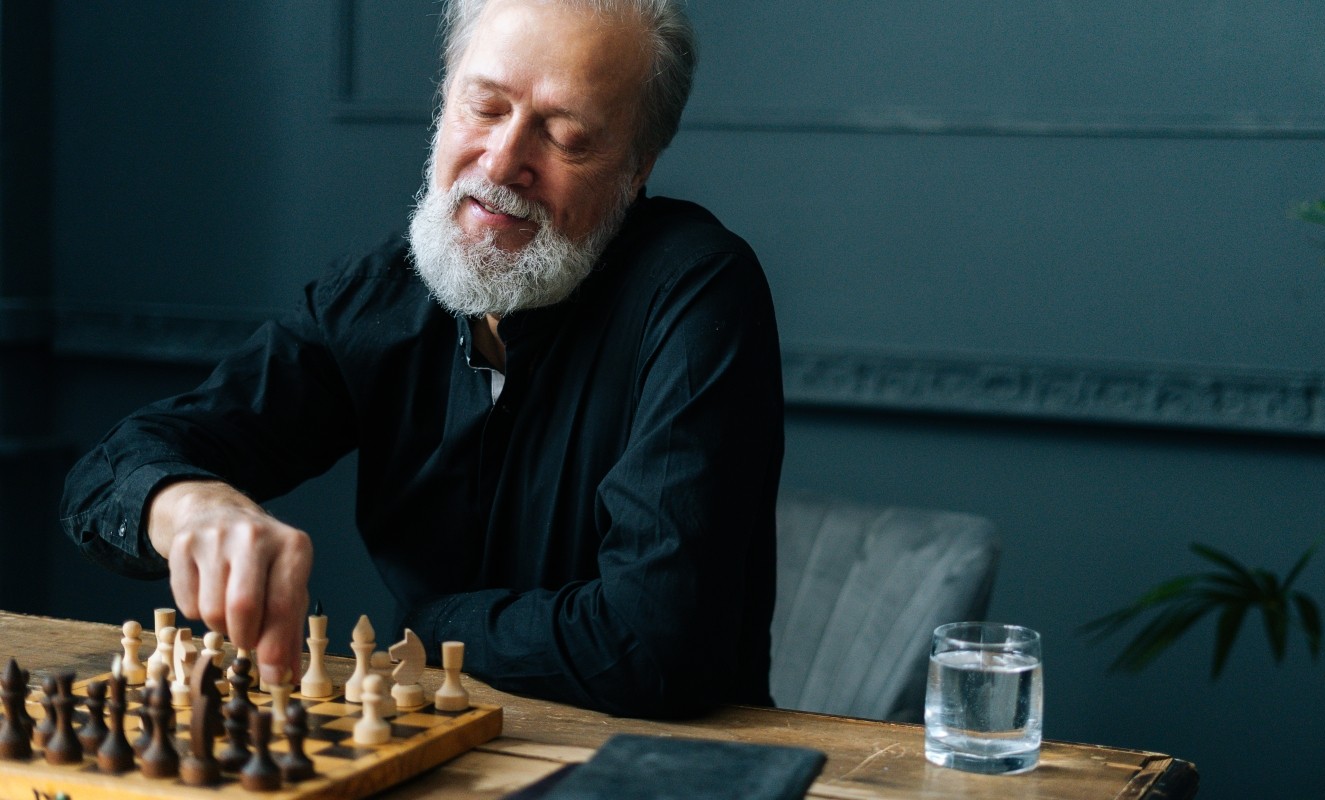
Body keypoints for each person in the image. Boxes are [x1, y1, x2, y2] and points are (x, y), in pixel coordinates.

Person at [59, 0, 783, 719]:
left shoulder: (698, 292)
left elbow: (648, 647)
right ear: (444, 98)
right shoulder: (378, 298)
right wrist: (185, 504)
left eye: (565, 136)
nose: (503, 162)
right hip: (430, 753)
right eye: (485, 106)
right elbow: (109, 472)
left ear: (635, 168)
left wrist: (433, 626)